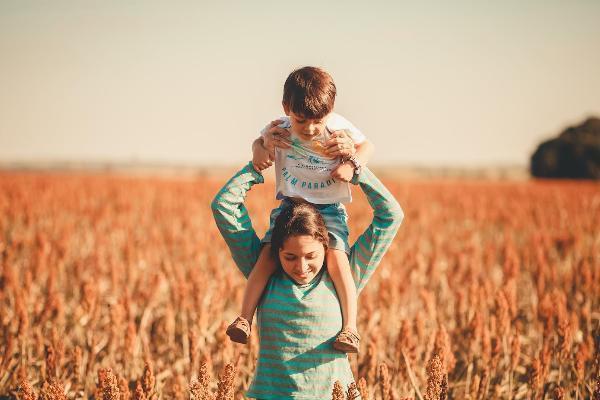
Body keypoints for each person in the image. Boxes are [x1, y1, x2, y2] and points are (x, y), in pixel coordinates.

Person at [211, 159, 403, 399]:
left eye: (311, 256)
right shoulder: (263, 271)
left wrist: (357, 171)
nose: (301, 267)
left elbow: (391, 216)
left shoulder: (344, 275)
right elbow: (223, 207)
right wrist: (257, 165)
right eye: (290, 257)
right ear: (276, 251)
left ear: (327, 246)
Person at [226, 66, 375, 353]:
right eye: (301, 119)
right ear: (287, 108)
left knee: (337, 260)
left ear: (330, 112)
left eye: (318, 120)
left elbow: (368, 146)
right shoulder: (279, 127)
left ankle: (350, 328)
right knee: (268, 256)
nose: (309, 128)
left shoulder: (338, 128)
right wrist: (259, 150)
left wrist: (352, 163)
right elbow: (259, 142)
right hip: (290, 206)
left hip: (329, 209)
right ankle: (244, 318)